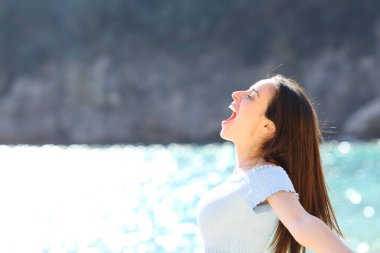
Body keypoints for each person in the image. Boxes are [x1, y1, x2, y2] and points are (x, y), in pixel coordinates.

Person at [196, 75, 353, 253]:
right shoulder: (246, 177)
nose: (236, 94)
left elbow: (302, 223)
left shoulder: (266, 175)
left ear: (267, 127)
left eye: (251, 96)